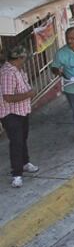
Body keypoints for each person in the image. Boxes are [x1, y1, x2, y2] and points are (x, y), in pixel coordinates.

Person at [1, 47, 38, 188]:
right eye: (23, 58)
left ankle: (25, 162)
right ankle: (16, 174)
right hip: (11, 114)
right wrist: (28, 94)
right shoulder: (8, 73)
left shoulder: (18, 70)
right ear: (18, 58)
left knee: (22, 139)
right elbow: (8, 97)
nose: (24, 60)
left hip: (22, 111)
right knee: (16, 143)